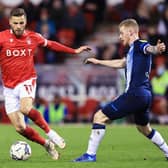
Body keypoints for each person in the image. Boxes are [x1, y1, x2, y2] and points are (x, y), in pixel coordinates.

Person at [0, 8, 90, 160]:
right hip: (9, 87)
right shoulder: (1, 38)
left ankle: (51, 133)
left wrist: (74, 51)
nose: (18, 26)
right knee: (20, 128)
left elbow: (52, 45)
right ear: (10, 22)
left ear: (26, 22)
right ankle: (46, 144)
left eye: (21, 23)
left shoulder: (33, 37)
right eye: (15, 23)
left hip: (27, 80)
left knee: (26, 108)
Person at [73, 18, 168, 162]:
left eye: (121, 33)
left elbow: (149, 48)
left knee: (99, 117)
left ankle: (90, 155)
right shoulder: (132, 52)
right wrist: (98, 61)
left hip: (135, 94)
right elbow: (121, 62)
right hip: (145, 95)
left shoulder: (139, 44)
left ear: (131, 32)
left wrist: (156, 48)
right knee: (144, 128)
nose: (120, 36)